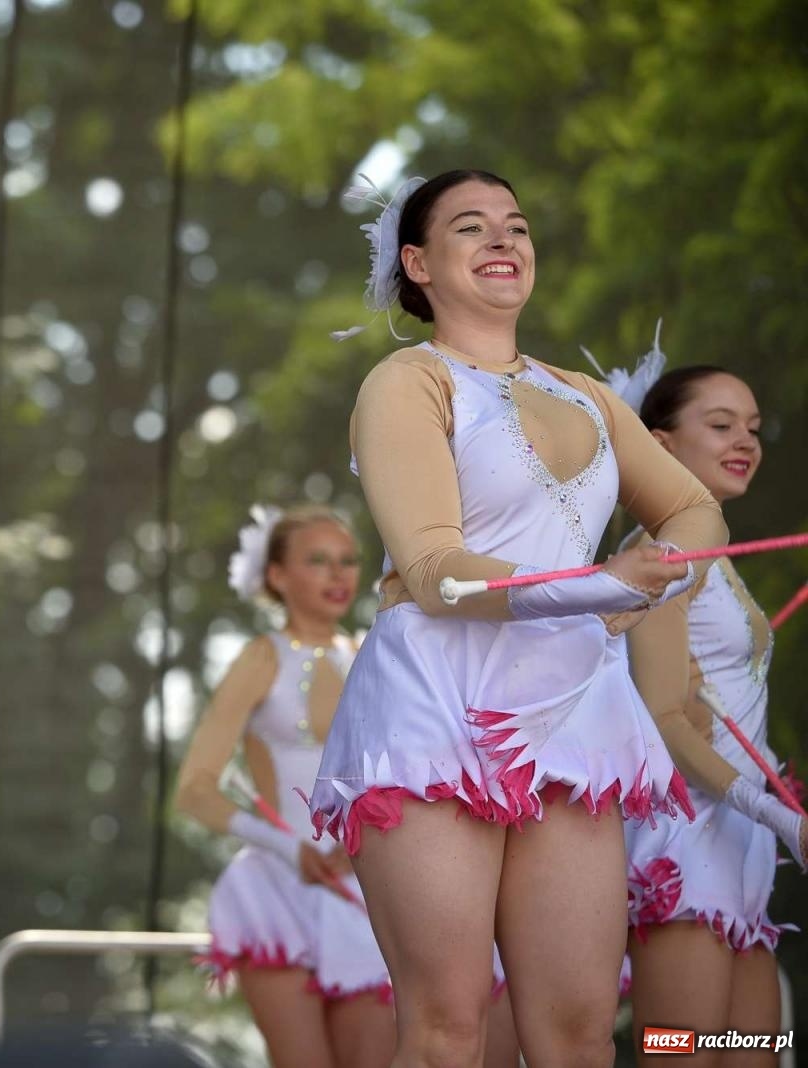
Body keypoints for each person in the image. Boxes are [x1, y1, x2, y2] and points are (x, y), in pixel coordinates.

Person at [308, 169, 727, 1067]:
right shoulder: (408, 381)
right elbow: (432, 572)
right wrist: (602, 589)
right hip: (438, 701)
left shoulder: (586, 393)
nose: (504, 241)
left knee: (579, 1035)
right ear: (418, 263)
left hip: (573, 706)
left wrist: (646, 589)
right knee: (447, 1028)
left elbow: (695, 512)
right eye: (472, 228)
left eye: (517, 226)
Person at [617, 362, 803, 1063]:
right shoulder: (659, 556)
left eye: (752, 428)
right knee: (680, 1053)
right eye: (720, 425)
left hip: (744, 849)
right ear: (661, 447)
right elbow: (664, 718)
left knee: (753, 1053)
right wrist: (784, 818)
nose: (746, 441)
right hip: (687, 846)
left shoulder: (716, 558)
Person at [175, 504, 394, 1067]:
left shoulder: (372, 656)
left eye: (347, 561)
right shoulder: (260, 658)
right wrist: (286, 847)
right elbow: (195, 789)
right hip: (276, 888)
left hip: (362, 890)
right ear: (276, 576)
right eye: (317, 561)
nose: (338, 575)